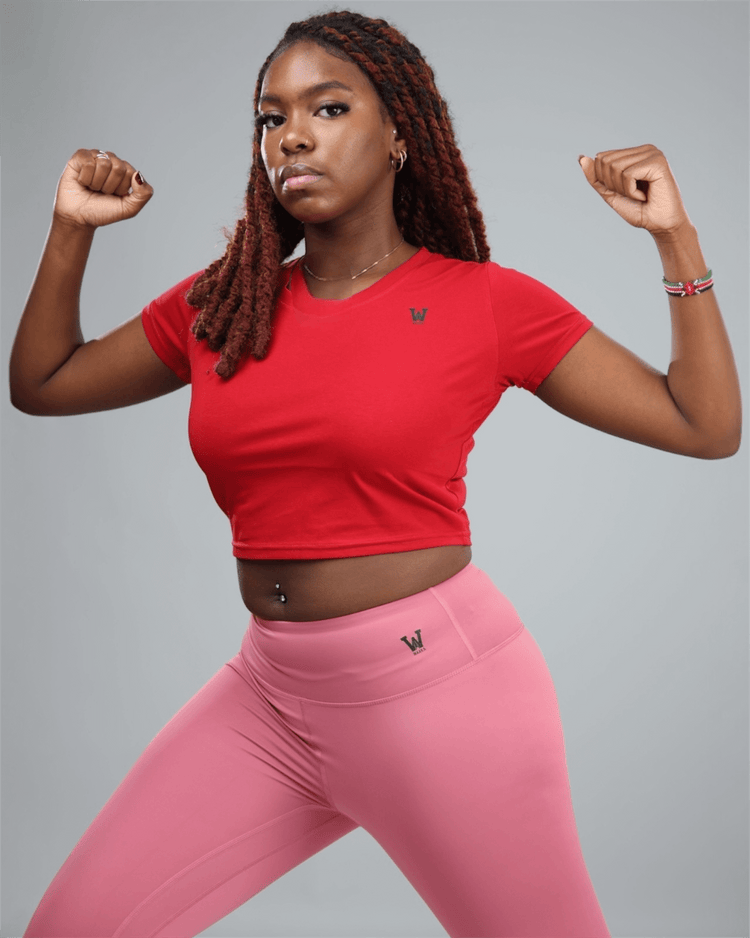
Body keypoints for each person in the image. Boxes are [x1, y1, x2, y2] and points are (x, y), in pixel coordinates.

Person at [11, 9, 740, 938]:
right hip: (271, 695)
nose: (294, 136)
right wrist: (73, 229)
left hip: (442, 701)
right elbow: (42, 381)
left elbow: (705, 424)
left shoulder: (485, 304)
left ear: (399, 132)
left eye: (328, 107)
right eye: (271, 118)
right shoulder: (226, 303)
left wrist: (673, 239)